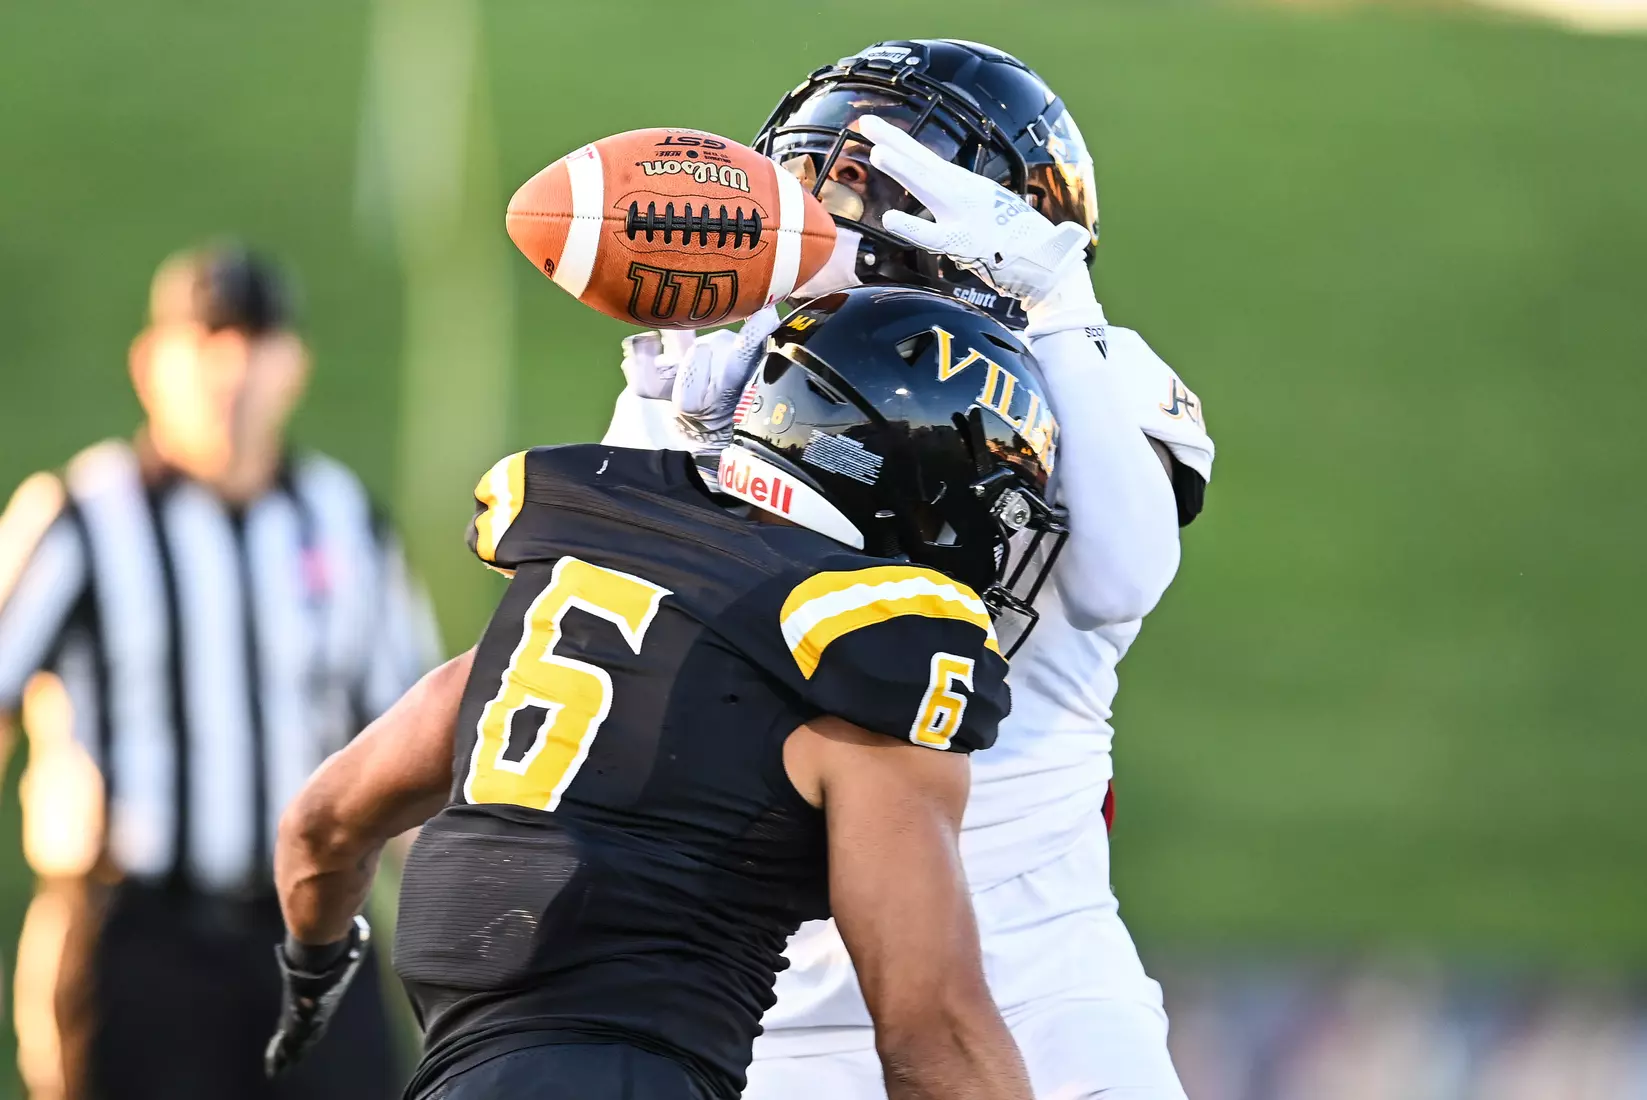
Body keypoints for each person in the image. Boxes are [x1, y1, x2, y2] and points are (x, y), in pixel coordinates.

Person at [263, 288, 1064, 1100]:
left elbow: (320, 825)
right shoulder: (859, 651)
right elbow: (934, 1038)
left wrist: (311, 969)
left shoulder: (570, 586)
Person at [604, 40, 1216, 1100]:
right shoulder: (730, 366)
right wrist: (677, 429)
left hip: (1035, 975)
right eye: (817, 181)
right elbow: (629, 622)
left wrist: (1059, 308)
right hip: (771, 998)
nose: (833, 221)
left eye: (875, 191)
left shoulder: (1093, 363)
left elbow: (1121, 578)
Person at [0, 243, 440, 1100]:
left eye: (256, 340)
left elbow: (407, 750)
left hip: (308, 935)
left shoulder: (342, 522)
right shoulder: (79, 518)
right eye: (206, 339)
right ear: (151, 363)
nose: (232, 368)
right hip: (136, 934)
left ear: (293, 365)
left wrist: (473, 937)